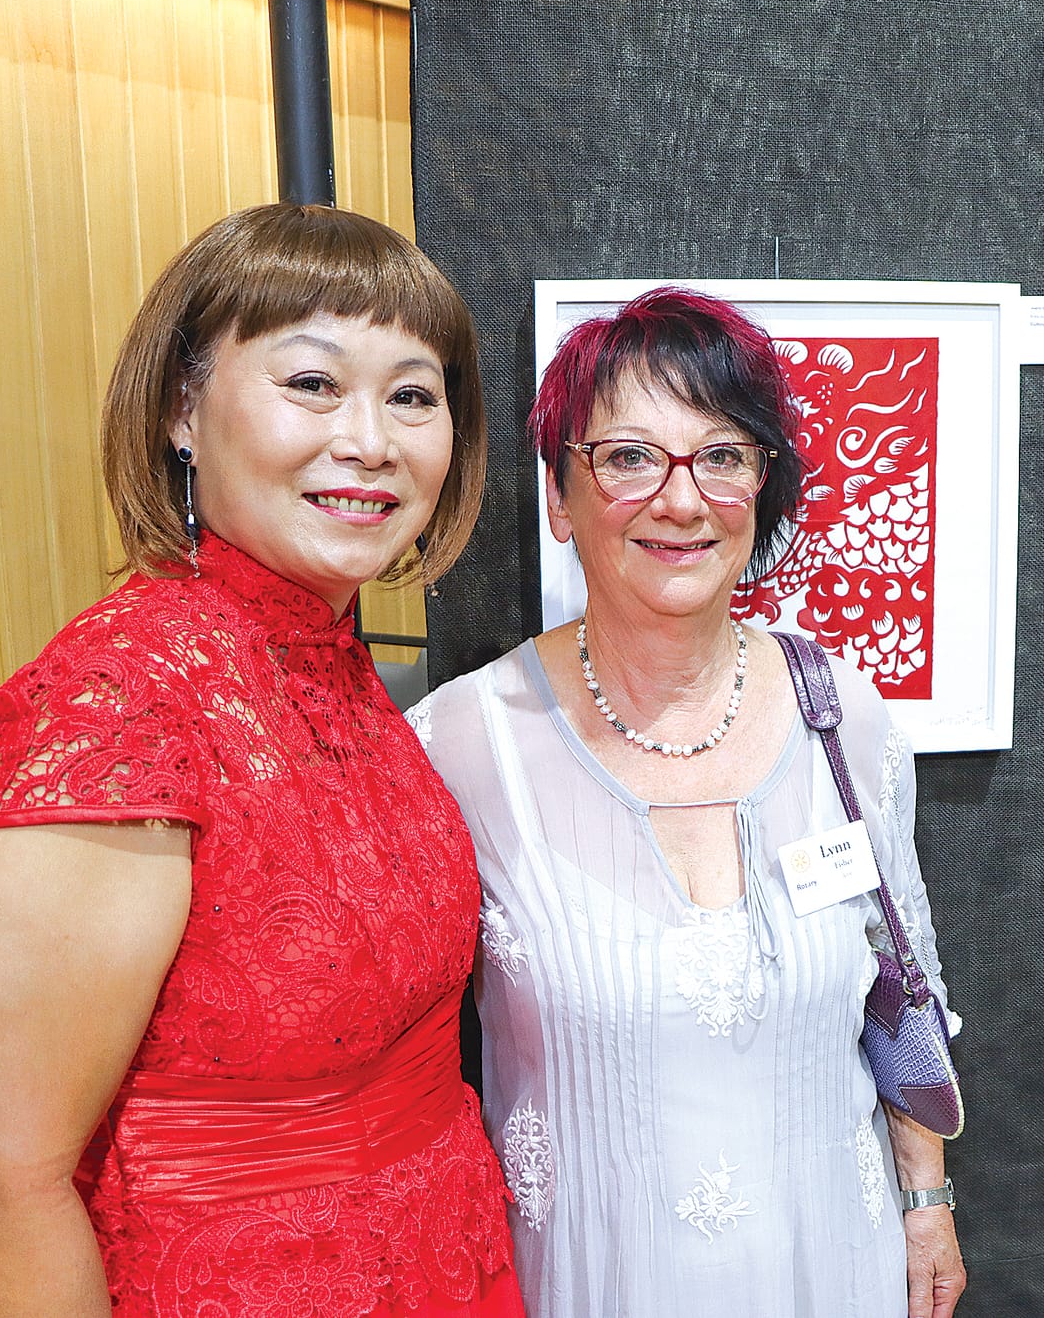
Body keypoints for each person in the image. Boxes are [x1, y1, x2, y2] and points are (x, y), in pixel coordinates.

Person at [0, 202, 524, 1318]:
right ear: (182, 410)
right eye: (311, 383)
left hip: (448, 1258)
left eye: (411, 395)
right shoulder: (109, 709)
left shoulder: (337, 667)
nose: (370, 440)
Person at [410, 287, 967, 1317]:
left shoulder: (844, 718)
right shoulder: (455, 748)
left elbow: (899, 977)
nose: (681, 498)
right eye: (628, 456)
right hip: (593, 1279)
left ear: (760, 482)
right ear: (556, 494)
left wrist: (926, 1199)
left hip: (831, 1267)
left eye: (722, 454)